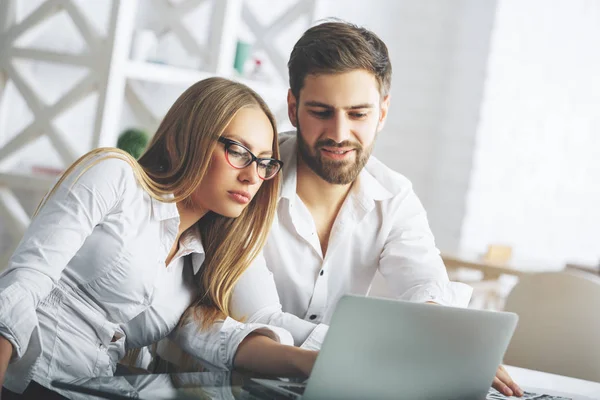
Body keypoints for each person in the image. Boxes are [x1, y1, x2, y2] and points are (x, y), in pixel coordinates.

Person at [225, 21, 524, 397]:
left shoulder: (394, 197)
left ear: (382, 112)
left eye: (358, 114)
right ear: (293, 108)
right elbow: (258, 318)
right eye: (320, 111)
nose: (338, 132)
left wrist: (446, 339)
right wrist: (386, 351)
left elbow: (425, 286)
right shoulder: (248, 182)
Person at [0, 77, 316, 399]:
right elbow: (26, 279)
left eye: (265, 162)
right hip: (22, 379)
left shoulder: (196, 265)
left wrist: (310, 362)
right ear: (186, 139)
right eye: (237, 151)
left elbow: (221, 338)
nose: (252, 176)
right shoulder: (116, 176)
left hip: (90, 391)